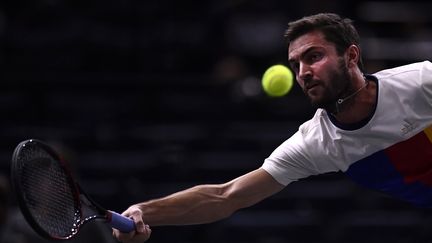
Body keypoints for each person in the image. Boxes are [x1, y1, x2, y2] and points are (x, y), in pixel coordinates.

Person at [113, 13, 432, 242]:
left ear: (350, 56)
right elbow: (225, 197)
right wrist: (143, 210)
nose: (304, 72)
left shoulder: (420, 83)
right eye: (296, 65)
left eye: (314, 56)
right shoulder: (317, 143)